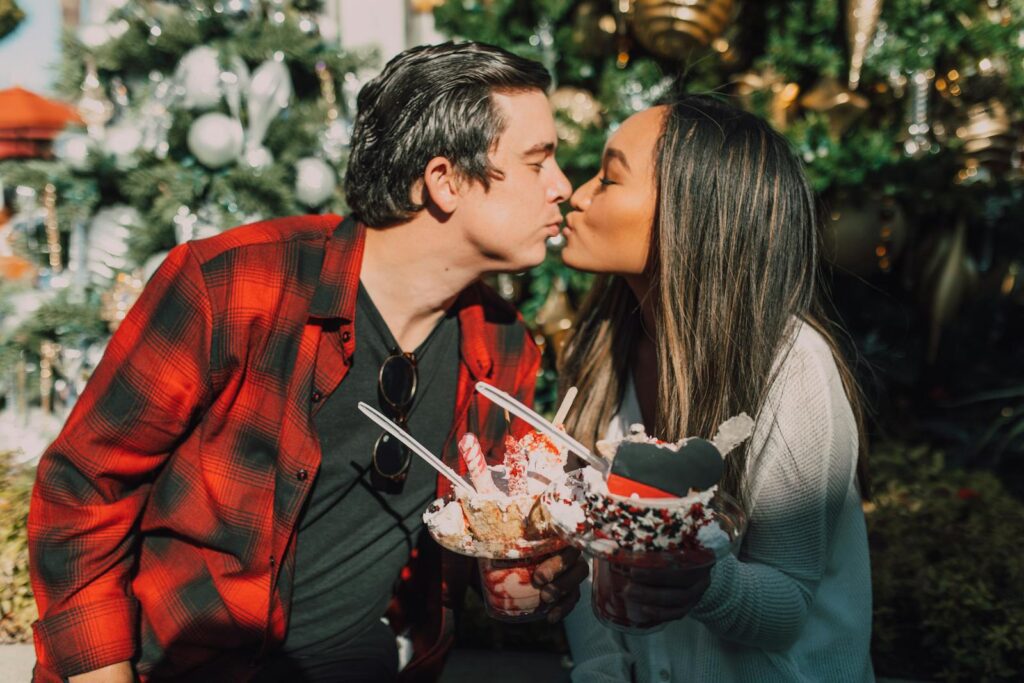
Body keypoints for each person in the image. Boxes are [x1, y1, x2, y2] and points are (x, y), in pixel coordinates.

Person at [28, 41, 586, 683]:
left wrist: (524, 564)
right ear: (445, 181)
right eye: (537, 161)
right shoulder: (233, 287)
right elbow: (82, 489)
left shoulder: (501, 344)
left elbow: (483, 542)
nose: (562, 186)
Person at [557, 95, 874, 682]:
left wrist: (693, 574)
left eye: (608, 178)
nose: (576, 193)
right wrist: (599, 668)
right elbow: (586, 552)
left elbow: (787, 606)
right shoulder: (598, 350)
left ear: (689, 212)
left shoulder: (793, 367)